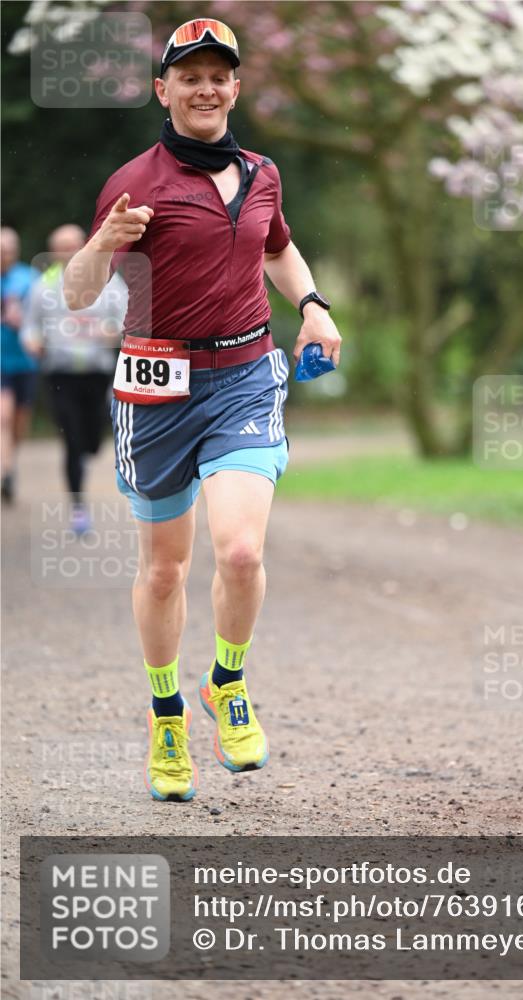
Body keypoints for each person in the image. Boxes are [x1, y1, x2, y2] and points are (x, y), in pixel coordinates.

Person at [64, 18, 342, 802]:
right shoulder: (134, 183)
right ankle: (165, 716)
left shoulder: (261, 173)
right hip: (158, 389)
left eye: (219, 75)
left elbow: (277, 248)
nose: (206, 88)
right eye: (189, 76)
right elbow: (78, 295)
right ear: (164, 90)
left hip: (246, 377)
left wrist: (314, 307)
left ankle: (226, 680)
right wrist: (104, 242)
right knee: (164, 571)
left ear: (236, 87)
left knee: (242, 553)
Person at [21, 225, 127, 533]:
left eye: (72, 246)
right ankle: (78, 508)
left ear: (84, 246)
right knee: (71, 440)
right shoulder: (43, 286)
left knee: (92, 441)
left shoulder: (106, 279)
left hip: (97, 372)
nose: (68, 252)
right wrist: (32, 341)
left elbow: (125, 318)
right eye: (61, 247)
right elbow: (30, 327)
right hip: (60, 373)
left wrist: (111, 331)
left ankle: (87, 446)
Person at [1, 227, 39, 502]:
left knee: (17, 423)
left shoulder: (30, 278)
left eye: (8, 249)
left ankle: (10, 465)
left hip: (25, 362)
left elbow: (42, 317)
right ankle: (6, 469)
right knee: (3, 416)